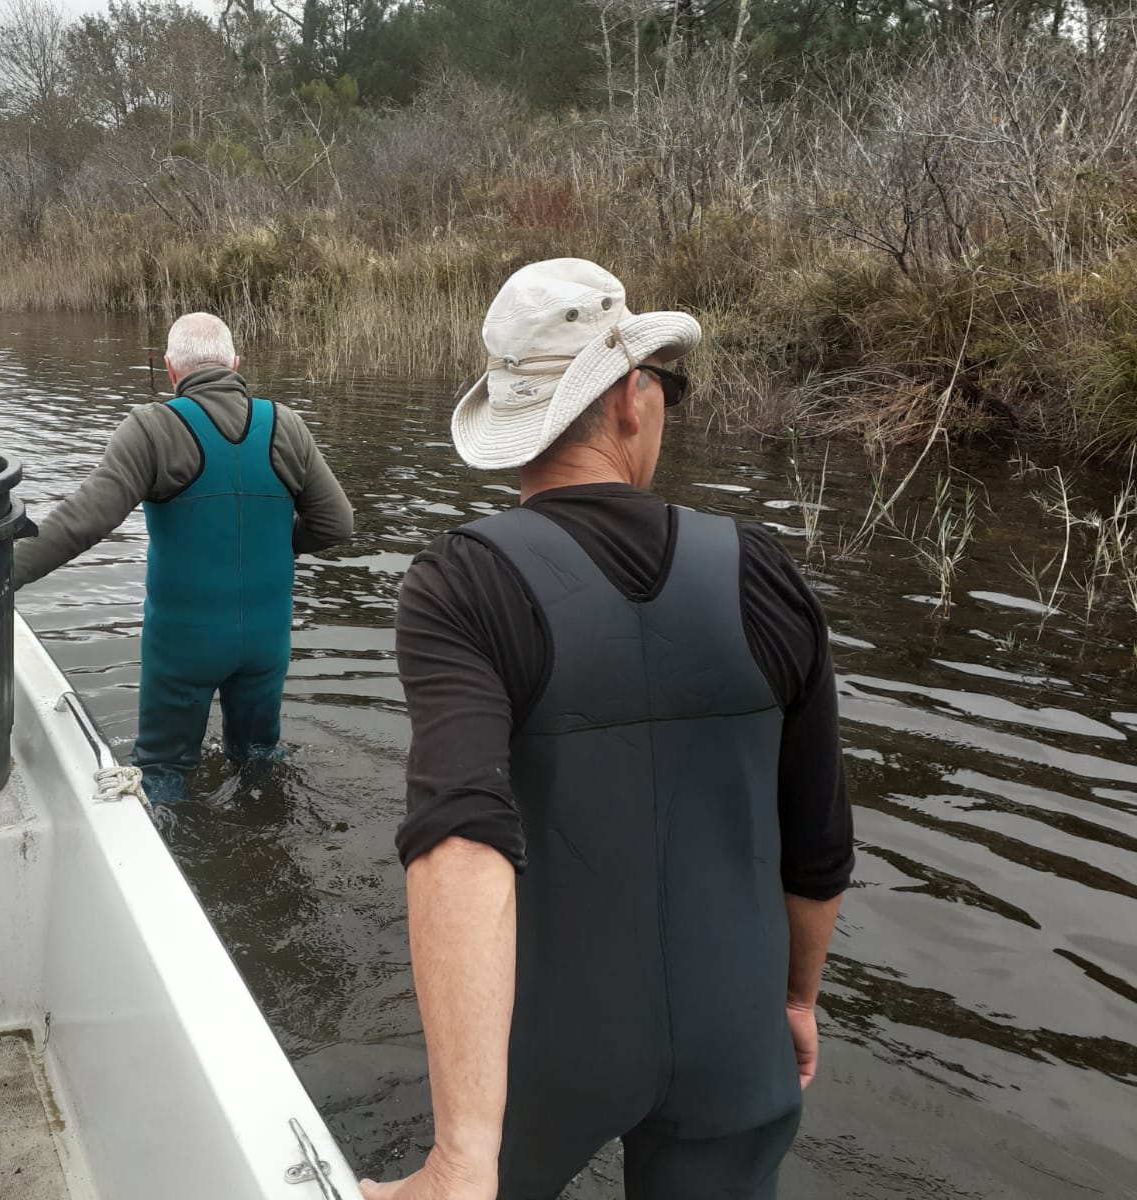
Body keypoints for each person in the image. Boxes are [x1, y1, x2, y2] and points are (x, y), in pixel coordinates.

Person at [362, 259, 854, 1200]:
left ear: (515, 428)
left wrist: (462, 1154)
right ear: (634, 396)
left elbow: (460, 837)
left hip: (544, 1051)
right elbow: (819, 847)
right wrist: (792, 1001)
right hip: (735, 1041)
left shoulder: (462, 584)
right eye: (664, 385)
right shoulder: (763, 571)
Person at [13, 312, 353, 802]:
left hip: (183, 646)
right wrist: (274, 542)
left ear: (172, 370)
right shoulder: (287, 426)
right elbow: (337, 524)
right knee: (259, 760)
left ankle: (169, 858)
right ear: (235, 364)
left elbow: (79, 523)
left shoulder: (152, 428)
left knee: (164, 771)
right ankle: (265, 826)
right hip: (266, 639)